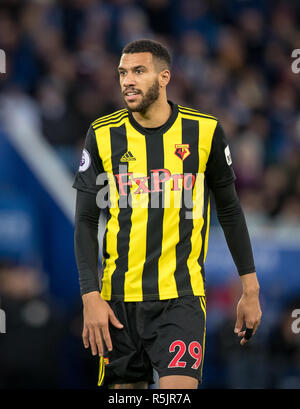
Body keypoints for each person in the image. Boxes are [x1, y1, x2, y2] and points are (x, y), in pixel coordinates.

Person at [73, 39, 262, 389]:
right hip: (118, 301)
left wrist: (250, 289)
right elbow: (85, 221)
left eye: (138, 71)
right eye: (122, 72)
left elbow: (231, 211)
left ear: (164, 77)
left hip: (181, 299)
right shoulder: (102, 134)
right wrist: (90, 296)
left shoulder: (204, 131)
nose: (127, 80)